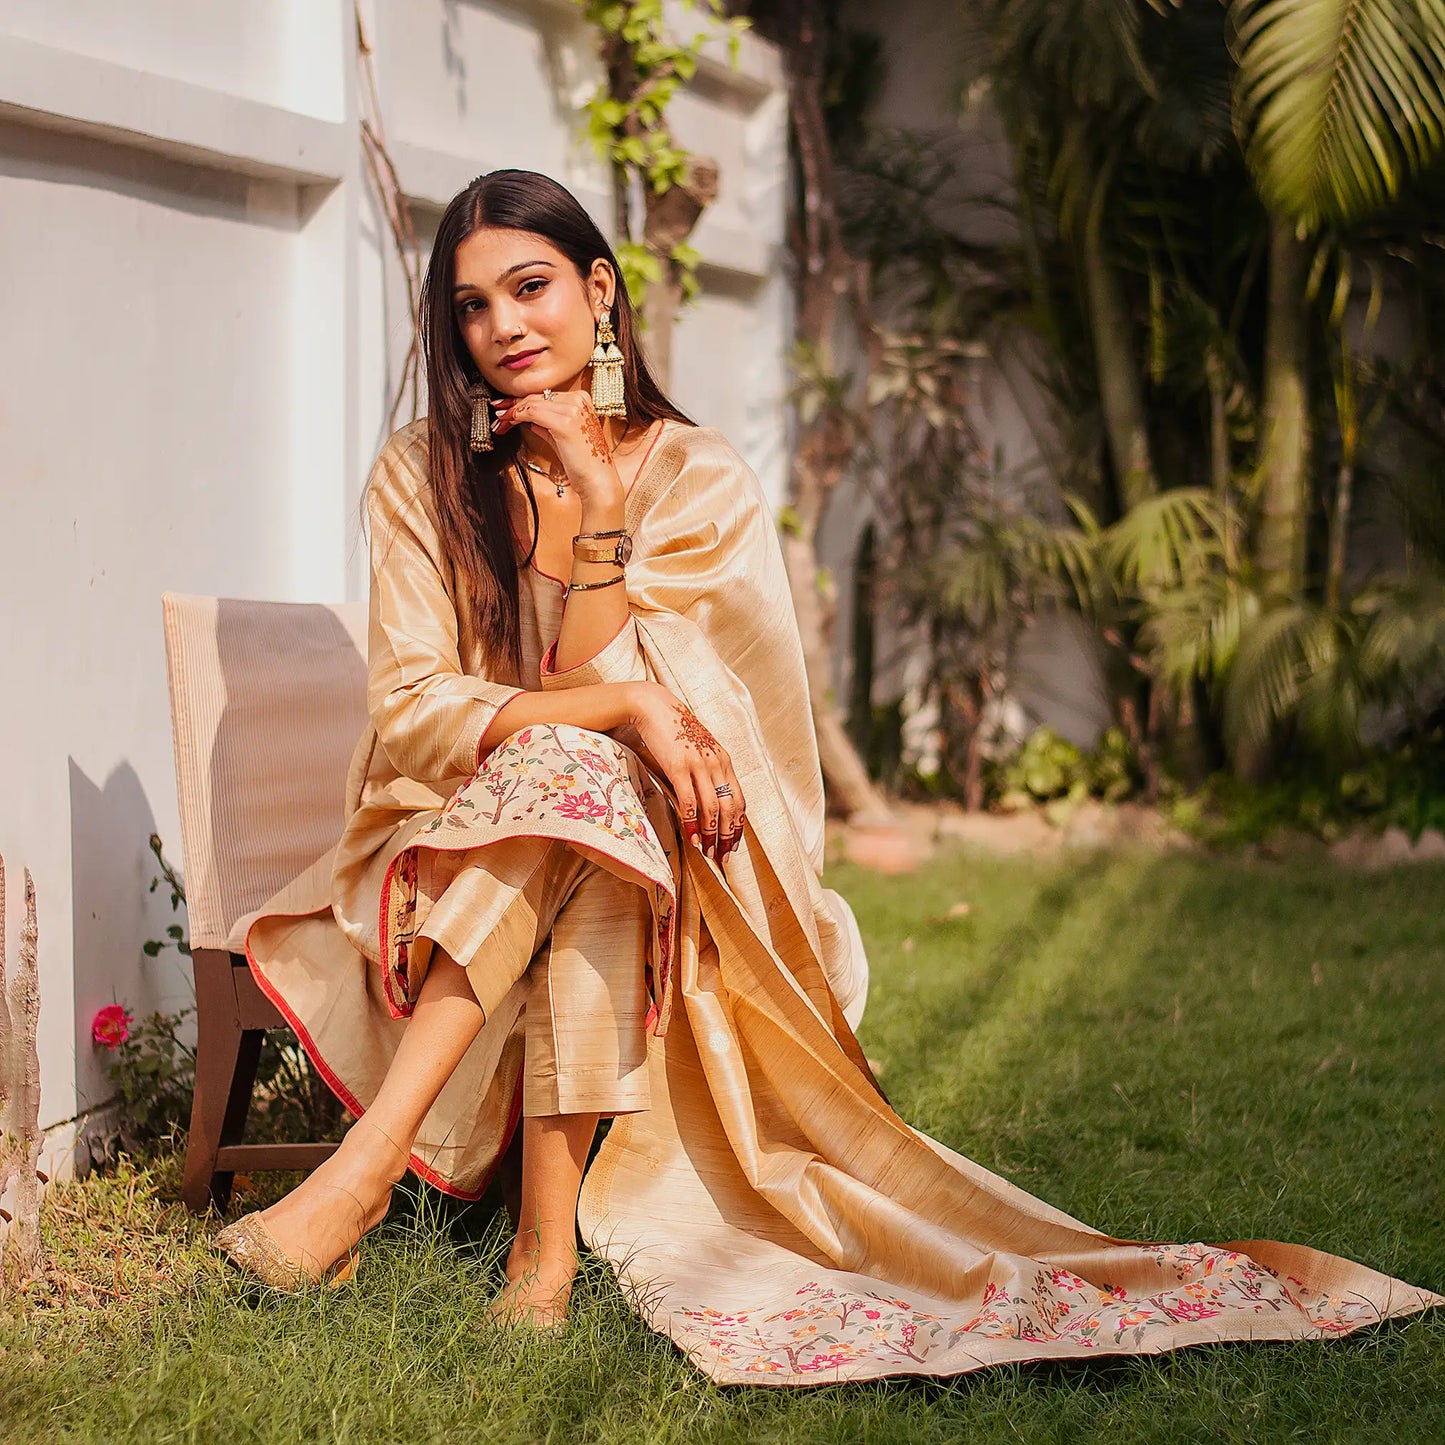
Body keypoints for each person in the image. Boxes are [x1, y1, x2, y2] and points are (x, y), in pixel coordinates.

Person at [217, 169, 1441, 1381]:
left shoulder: (693, 480)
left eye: (528, 288)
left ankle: (423, 1204)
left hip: (661, 859)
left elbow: (726, 726)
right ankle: (479, 1226)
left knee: (589, 785)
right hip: (445, 850)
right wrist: (631, 702)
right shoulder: (424, 476)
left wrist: (597, 507)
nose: (501, 330)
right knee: (576, 770)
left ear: (599, 292)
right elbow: (418, 710)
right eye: (471, 308)